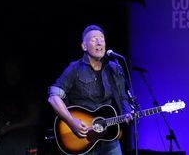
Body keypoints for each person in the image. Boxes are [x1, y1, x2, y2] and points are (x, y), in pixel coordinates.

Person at [48, 25, 133, 155]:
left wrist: (127, 113)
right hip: (82, 137)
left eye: (102, 39)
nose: (99, 42)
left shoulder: (115, 69)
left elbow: (123, 98)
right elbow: (53, 97)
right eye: (94, 39)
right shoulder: (74, 69)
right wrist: (71, 121)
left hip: (109, 137)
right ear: (84, 46)